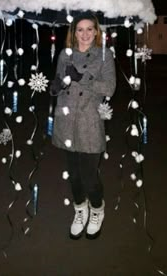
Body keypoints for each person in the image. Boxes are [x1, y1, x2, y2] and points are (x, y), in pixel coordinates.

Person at [50, 12, 116, 240]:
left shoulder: (105, 55)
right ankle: (80, 210)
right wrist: (55, 86)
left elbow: (109, 88)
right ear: (73, 32)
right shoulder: (64, 54)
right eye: (80, 29)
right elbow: (58, 82)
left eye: (90, 29)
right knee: (74, 176)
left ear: (97, 31)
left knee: (89, 176)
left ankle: (97, 209)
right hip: (67, 121)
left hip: (89, 121)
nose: (85, 34)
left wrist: (81, 77)